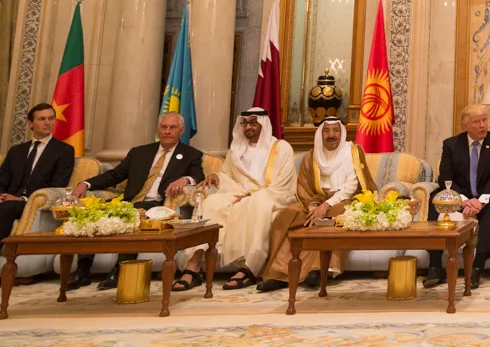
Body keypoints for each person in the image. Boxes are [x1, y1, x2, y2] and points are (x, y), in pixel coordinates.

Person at [68, 112, 205, 290]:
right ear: (158, 129)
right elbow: (115, 175)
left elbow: (198, 176)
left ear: (182, 130)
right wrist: (86, 184)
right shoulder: (140, 152)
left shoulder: (190, 154)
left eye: (172, 128)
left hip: (156, 204)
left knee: (132, 215)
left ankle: (120, 270)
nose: (167, 131)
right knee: (90, 215)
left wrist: (185, 179)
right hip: (129, 201)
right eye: (163, 127)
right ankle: (82, 271)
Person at [175, 108, 296, 292]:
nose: (248, 127)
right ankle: (193, 266)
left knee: (258, 203)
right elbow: (227, 175)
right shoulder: (235, 150)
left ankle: (250, 268)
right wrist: (217, 176)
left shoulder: (281, 148)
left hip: (270, 195)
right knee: (211, 204)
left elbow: (284, 183)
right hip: (238, 193)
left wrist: (250, 196)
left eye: (253, 122)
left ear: (263, 124)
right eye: (245, 123)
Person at [256, 117, 379, 292]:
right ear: (320, 134)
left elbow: (350, 187)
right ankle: (279, 273)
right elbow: (304, 186)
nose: (331, 135)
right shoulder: (312, 156)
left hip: (344, 199)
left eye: (335, 130)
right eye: (326, 131)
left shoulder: (352, 152)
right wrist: (312, 207)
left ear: (342, 133)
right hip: (315, 200)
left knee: (333, 218)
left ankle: (319, 270)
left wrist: (326, 205)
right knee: (286, 216)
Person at [423, 104, 490, 289]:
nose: (482, 125)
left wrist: (480, 200)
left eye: (484, 120)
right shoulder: (451, 145)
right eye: (476, 122)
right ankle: (435, 266)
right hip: (460, 195)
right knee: (435, 198)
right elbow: (445, 177)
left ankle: (477, 266)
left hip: (487, 195)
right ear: (465, 126)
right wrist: (463, 201)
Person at [0, 103, 73, 243]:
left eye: (51, 118)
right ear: (30, 123)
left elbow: (58, 184)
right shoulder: (16, 151)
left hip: (31, 202)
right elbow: (2, 178)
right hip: (7, 199)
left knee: (6, 208)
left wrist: (22, 199)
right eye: (42, 119)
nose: (48, 123)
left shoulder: (64, 150)